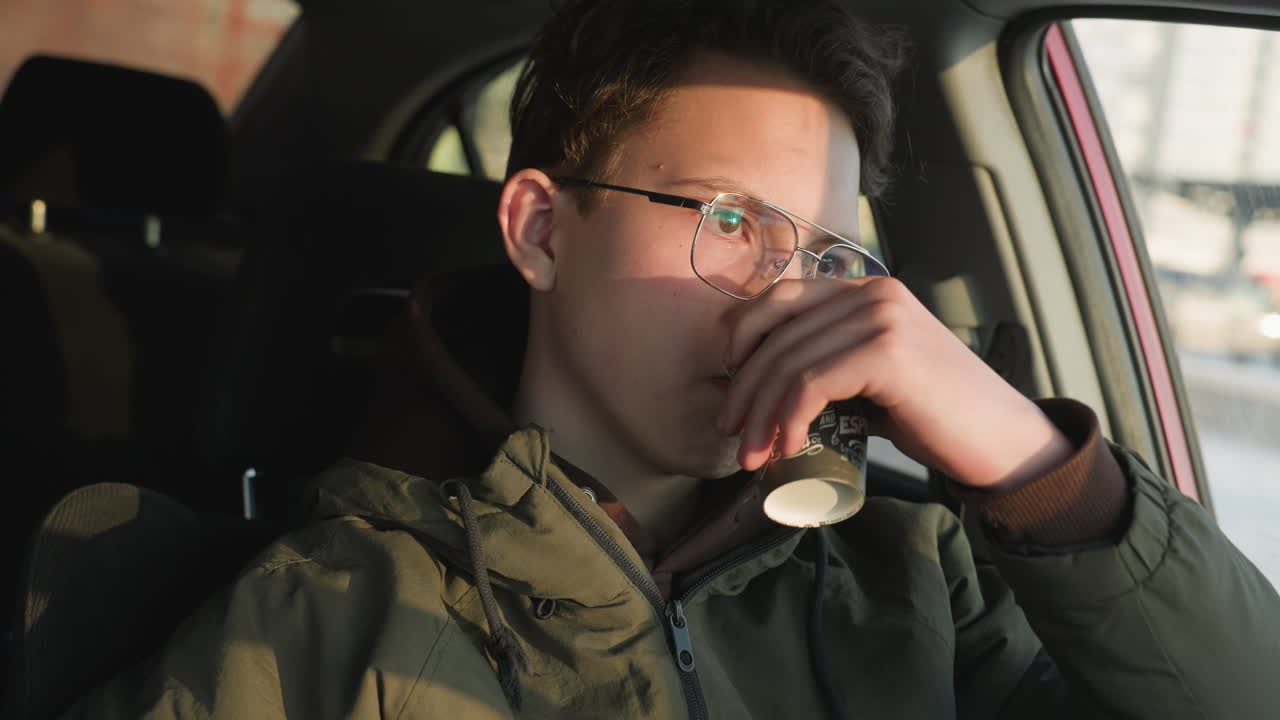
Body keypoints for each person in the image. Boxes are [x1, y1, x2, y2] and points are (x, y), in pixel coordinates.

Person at [63, 0, 1280, 718]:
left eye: (830, 253)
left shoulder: (921, 586)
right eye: (728, 221)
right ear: (541, 229)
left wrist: (1026, 459)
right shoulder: (320, 615)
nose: (782, 300)